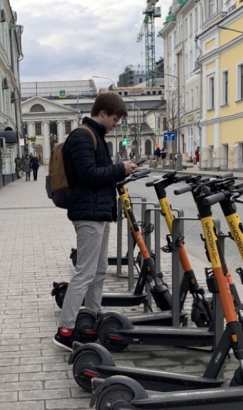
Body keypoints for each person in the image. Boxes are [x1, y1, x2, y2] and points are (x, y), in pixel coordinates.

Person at [53, 92, 138, 350]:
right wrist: (119, 169)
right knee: (85, 273)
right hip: (87, 214)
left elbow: (98, 176)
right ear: (102, 112)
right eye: (115, 118)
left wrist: (122, 173)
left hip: (99, 213)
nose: (116, 124)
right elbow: (88, 175)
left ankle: (91, 319)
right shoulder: (82, 136)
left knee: (99, 272)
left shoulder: (96, 137)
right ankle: (65, 331)